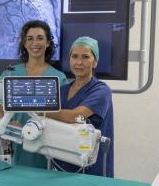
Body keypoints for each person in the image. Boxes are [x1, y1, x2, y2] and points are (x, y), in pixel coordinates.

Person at [0, 20, 68, 168]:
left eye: (40, 38)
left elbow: (61, 115)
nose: (34, 43)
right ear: (24, 44)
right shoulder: (11, 73)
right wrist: (7, 125)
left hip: (44, 144)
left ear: (48, 43)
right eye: (29, 39)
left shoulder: (58, 78)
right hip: (14, 143)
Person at [47, 36, 114, 177]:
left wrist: (40, 110)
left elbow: (74, 116)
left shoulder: (101, 90)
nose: (79, 62)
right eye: (75, 56)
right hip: (61, 165)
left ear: (95, 62)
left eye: (85, 57)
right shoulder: (63, 90)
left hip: (91, 168)